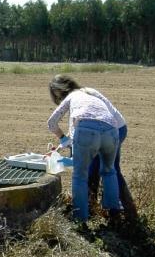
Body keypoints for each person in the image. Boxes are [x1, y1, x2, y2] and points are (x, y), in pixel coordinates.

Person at [46, 74, 120, 223]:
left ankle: (80, 220)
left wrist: (63, 139)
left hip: (87, 130)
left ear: (59, 92)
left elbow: (52, 123)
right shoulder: (90, 93)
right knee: (109, 171)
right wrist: (62, 147)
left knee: (80, 176)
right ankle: (114, 215)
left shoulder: (71, 96)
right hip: (112, 129)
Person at [85, 87, 138, 219]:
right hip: (113, 128)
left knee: (109, 169)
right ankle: (91, 208)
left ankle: (123, 210)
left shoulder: (82, 100)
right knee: (95, 167)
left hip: (113, 130)